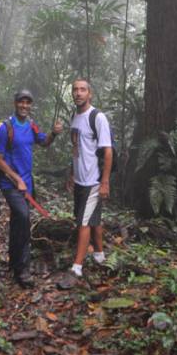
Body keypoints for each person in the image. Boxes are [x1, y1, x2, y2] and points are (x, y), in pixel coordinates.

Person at [0, 89, 62, 288]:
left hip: (27, 184)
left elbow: (44, 142)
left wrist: (54, 134)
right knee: (23, 219)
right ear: (15, 104)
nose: (24, 105)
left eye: (27, 102)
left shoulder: (31, 125)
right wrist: (16, 179)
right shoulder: (6, 128)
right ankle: (23, 270)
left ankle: (14, 262)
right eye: (21, 102)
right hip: (10, 184)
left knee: (18, 222)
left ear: (30, 105)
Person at [69, 78, 112, 277]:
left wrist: (104, 182)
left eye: (82, 90)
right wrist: (72, 173)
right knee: (93, 219)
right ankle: (100, 254)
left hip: (93, 181)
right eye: (75, 90)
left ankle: (77, 267)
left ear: (90, 93)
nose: (78, 93)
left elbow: (108, 151)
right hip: (80, 179)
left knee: (83, 223)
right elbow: (76, 148)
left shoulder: (98, 117)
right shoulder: (74, 116)